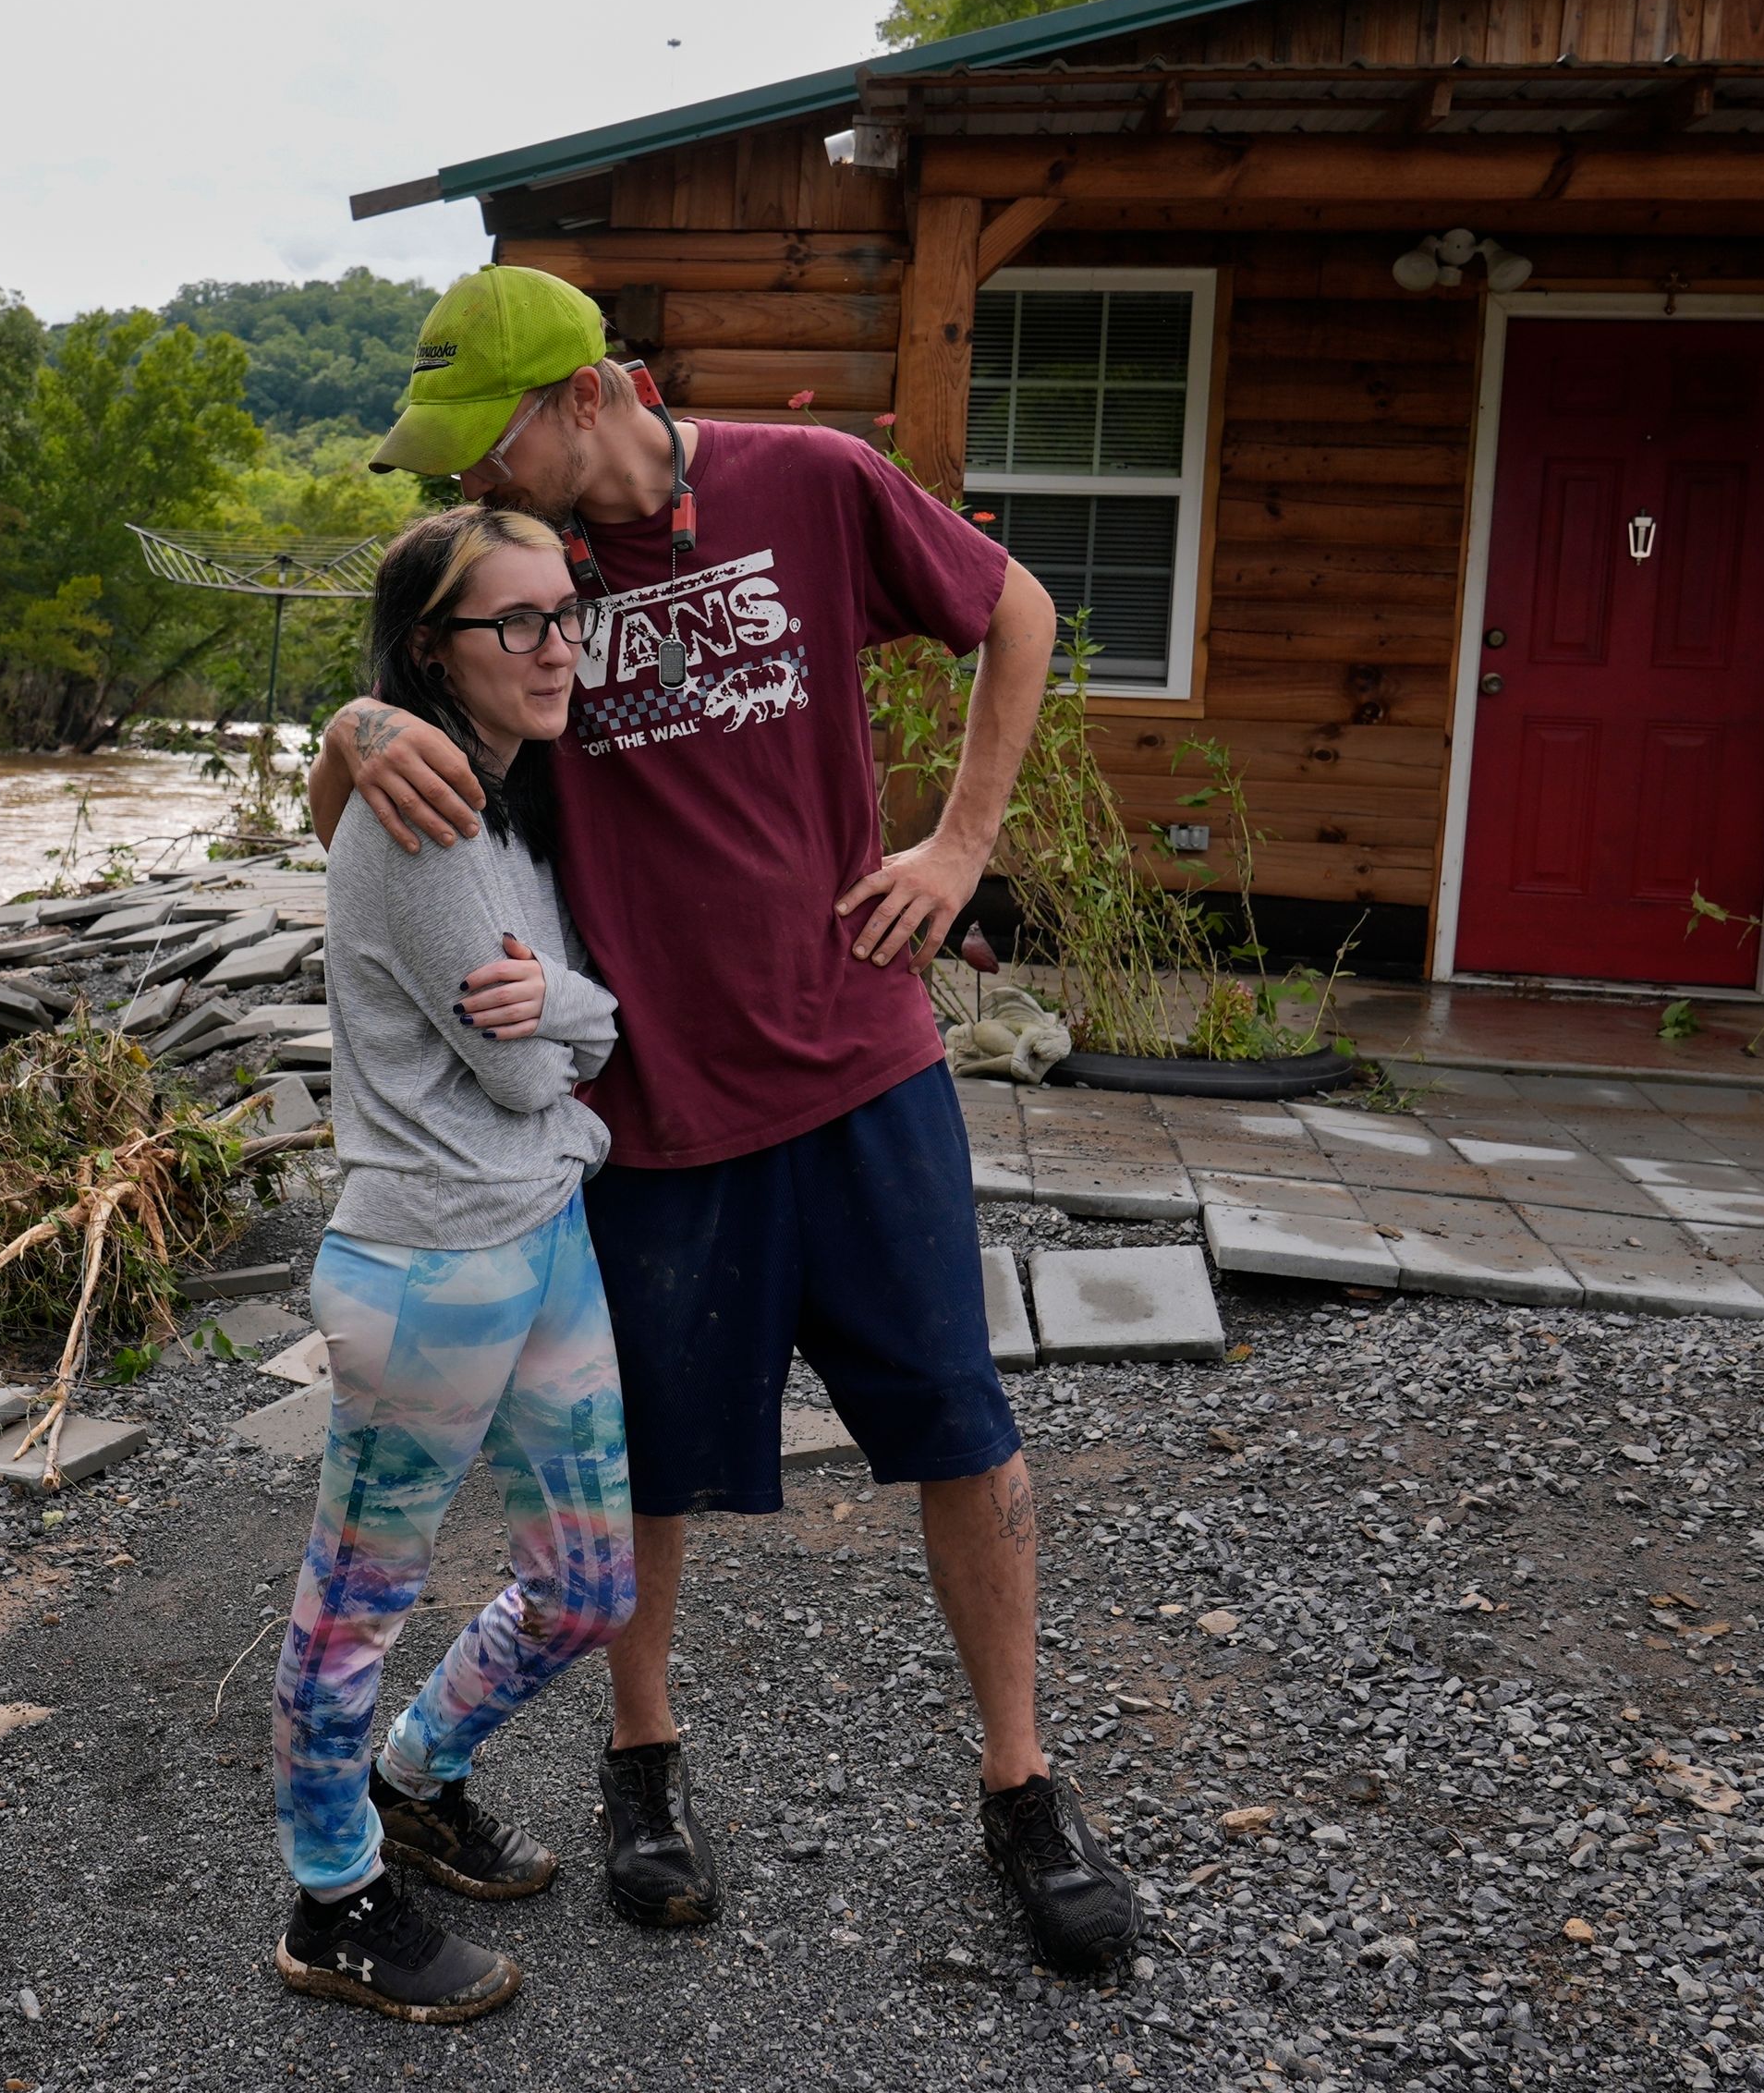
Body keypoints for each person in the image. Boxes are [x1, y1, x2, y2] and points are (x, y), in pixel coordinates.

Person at [308, 264, 1142, 1978]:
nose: (472, 481)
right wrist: (355, 715)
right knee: (658, 1468)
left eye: (492, 441)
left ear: (593, 394)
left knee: (962, 1431)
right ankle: (644, 1771)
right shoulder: (519, 585)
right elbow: (359, 762)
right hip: (651, 1100)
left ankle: (1024, 1785)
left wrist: (962, 845)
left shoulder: (807, 481)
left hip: (863, 1064)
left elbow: (1021, 611)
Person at [267, 505, 638, 2026]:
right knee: (354, 1601)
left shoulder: (508, 796)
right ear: (433, 648)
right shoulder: (421, 819)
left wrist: (565, 1007)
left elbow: (550, 1032)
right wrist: (590, 1017)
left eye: (568, 613)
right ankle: (333, 1895)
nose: (558, 648)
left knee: (592, 1584)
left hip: (540, 1237)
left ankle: (418, 1775)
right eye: (517, 624)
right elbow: (525, 1070)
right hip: (427, 1266)